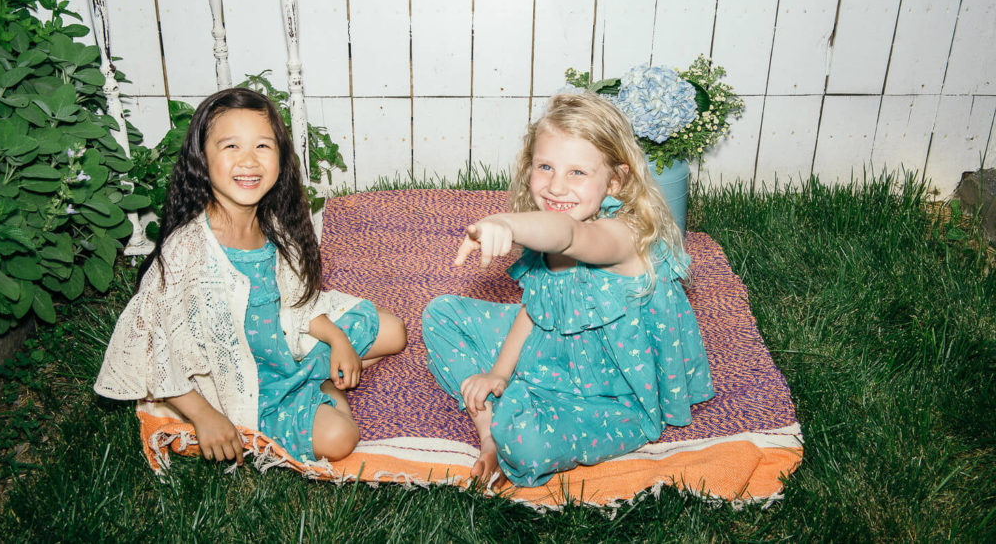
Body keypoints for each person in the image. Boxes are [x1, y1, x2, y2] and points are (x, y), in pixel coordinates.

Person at [95, 88, 406, 465]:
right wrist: (205, 416)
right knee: (340, 438)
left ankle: (318, 374)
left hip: (288, 344)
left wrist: (336, 337)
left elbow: (294, 302)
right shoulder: (186, 252)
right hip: (246, 385)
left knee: (393, 332)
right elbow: (150, 350)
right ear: (201, 160)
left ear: (281, 159)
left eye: (263, 146)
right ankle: (324, 388)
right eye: (230, 147)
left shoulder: (271, 224)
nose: (249, 161)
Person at [422, 92, 714, 487]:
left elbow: (569, 235)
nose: (557, 187)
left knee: (525, 442)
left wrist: (506, 224)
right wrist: (497, 375)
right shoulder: (551, 225)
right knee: (441, 314)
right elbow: (534, 307)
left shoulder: (620, 235)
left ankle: (508, 429)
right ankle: (489, 430)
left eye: (577, 172)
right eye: (545, 167)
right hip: (548, 348)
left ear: (615, 180)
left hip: (611, 395)